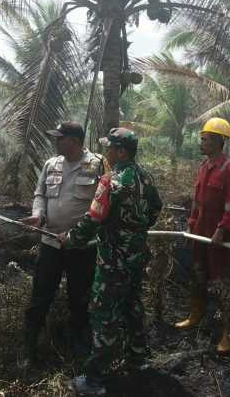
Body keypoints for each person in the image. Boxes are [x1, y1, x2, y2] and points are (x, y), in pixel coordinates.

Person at [58, 127, 162, 396]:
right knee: (132, 305)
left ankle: (94, 379)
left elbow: (94, 219)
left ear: (121, 151)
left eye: (110, 148)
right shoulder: (145, 178)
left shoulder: (111, 181)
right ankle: (138, 359)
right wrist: (134, 232)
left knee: (104, 314)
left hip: (112, 261)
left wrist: (70, 238)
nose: (107, 152)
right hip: (136, 257)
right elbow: (155, 209)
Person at [20, 121, 104, 362]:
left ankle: (78, 343)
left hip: (81, 246)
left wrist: (79, 233)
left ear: (74, 141)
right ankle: (30, 344)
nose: (55, 142)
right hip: (50, 243)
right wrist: (39, 215)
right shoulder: (51, 164)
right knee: (41, 294)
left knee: (79, 297)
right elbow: (40, 195)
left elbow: (102, 205)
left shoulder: (97, 164)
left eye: (60, 138)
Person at [174, 117, 230, 354]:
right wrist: (191, 226)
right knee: (198, 277)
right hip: (200, 235)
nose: (200, 143)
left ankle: (227, 333)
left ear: (218, 141)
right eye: (201, 139)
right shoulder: (204, 167)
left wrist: (222, 230)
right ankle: (195, 315)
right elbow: (197, 202)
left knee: (221, 284)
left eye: (205, 139)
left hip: (218, 238)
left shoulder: (229, 169)